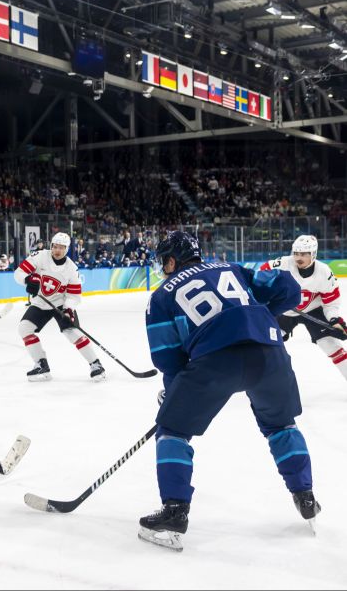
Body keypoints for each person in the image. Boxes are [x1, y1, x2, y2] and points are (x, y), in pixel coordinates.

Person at [140, 231, 318, 552]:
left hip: (215, 361)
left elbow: (168, 357)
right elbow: (290, 290)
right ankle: (304, 493)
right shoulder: (231, 268)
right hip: (270, 352)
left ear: (171, 261)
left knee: (172, 433)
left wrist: (175, 393)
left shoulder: (161, 296)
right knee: (280, 425)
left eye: (163, 262)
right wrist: (258, 314)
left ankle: (174, 512)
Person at [14, 232, 105, 382]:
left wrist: (69, 310)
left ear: (67, 249)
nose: (57, 250)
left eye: (61, 248)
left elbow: (74, 295)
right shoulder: (40, 256)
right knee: (24, 328)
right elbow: (19, 272)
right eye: (55, 247)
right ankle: (41, 365)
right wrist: (28, 279)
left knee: (72, 333)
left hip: (60, 304)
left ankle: (96, 364)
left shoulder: (72, 269)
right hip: (40, 302)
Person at [260, 235, 346, 383]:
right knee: (266, 343)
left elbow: (330, 302)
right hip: (285, 310)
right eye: (296, 253)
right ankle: (260, 381)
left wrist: (334, 319)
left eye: (304, 254)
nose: (299, 257)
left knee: (330, 345)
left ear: (313, 254)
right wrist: (268, 294)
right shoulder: (283, 264)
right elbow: (260, 277)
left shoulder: (324, 273)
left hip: (313, 310)